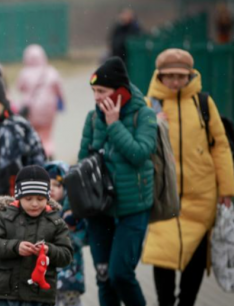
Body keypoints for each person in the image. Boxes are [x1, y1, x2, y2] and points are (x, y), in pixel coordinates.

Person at [141, 48, 234, 306]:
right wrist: (151, 124)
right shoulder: (149, 105)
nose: (175, 81)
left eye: (181, 76)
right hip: (162, 199)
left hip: (201, 196)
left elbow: (220, 146)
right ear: (159, 76)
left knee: (195, 259)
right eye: (169, 76)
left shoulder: (204, 103)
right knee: (163, 257)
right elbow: (138, 147)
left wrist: (226, 190)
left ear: (190, 75)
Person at [78, 56, 157, 306]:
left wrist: (114, 126)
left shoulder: (143, 115)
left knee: (120, 274)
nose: (97, 97)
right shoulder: (92, 118)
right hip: (99, 211)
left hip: (132, 210)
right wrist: (71, 207)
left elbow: (139, 153)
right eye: (94, 91)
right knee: (104, 279)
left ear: (120, 91)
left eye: (102, 91)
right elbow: (80, 168)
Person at [0, 71, 46, 297]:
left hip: (13, 212)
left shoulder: (19, 127)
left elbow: (38, 162)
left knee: (10, 270)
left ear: (3, 101)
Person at [0, 165, 73, 306]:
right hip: (8, 295)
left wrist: (49, 250)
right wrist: (15, 247)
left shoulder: (55, 221)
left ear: (48, 197)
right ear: (18, 196)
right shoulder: (4, 216)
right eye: (29, 198)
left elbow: (66, 255)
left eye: (40, 198)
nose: (35, 204)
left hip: (41, 296)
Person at [46, 162, 86, 306]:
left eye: (57, 184)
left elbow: (81, 240)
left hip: (70, 280)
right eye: (48, 184)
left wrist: (72, 227)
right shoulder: (39, 213)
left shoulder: (72, 214)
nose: (51, 188)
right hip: (45, 282)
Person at [17, 44, 65, 158]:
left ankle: (37, 153)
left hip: (31, 110)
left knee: (33, 132)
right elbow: (59, 90)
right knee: (47, 133)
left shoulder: (25, 72)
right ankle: (49, 151)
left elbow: (19, 88)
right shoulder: (51, 71)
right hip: (49, 109)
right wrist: (62, 104)